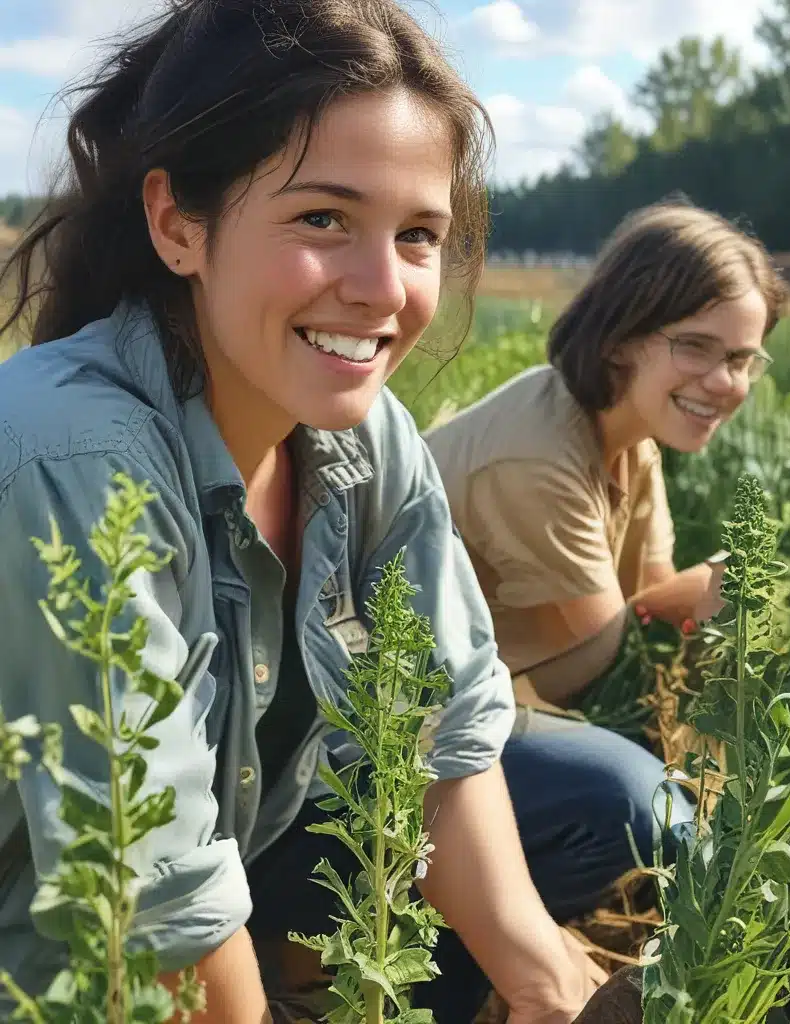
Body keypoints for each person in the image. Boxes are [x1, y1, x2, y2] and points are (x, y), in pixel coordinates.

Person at [0, 2, 630, 1022]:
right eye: (323, 219)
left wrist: (544, 980)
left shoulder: (360, 436)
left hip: (238, 855)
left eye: (417, 234)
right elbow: (148, 894)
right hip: (57, 952)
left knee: (610, 805)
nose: (382, 289)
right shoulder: (75, 458)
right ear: (178, 224)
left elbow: (448, 727)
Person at [425, 199, 788, 759]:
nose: (724, 381)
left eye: (741, 360)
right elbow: (616, 656)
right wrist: (724, 605)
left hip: (504, 702)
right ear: (620, 335)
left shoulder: (633, 438)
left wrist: (721, 597)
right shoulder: (537, 455)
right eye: (695, 346)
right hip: (414, 736)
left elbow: (652, 603)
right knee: (634, 792)